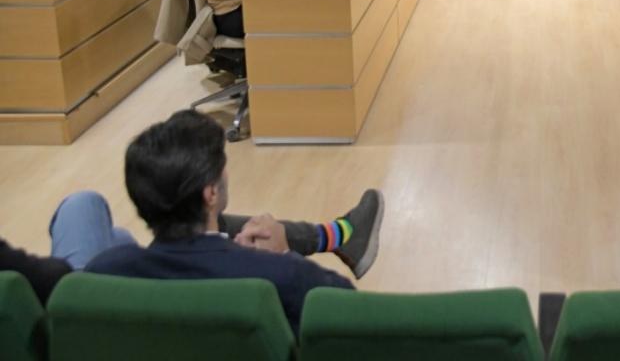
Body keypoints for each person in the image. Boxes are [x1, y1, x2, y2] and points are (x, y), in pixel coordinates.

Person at [85, 110, 360, 334]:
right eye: (222, 165)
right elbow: (353, 314)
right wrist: (283, 254)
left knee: (119, 234)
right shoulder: (281, 275)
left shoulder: (103, 272)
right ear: (212, 193)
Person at [2, 182, 383, 305]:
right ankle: (338, 236)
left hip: (81, 295)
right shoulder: (286, 278)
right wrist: (281, 256)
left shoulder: (115, 261)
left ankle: (335, 235)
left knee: (117, 237)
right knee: (84, 204)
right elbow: (345, 309)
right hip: (76, 304)